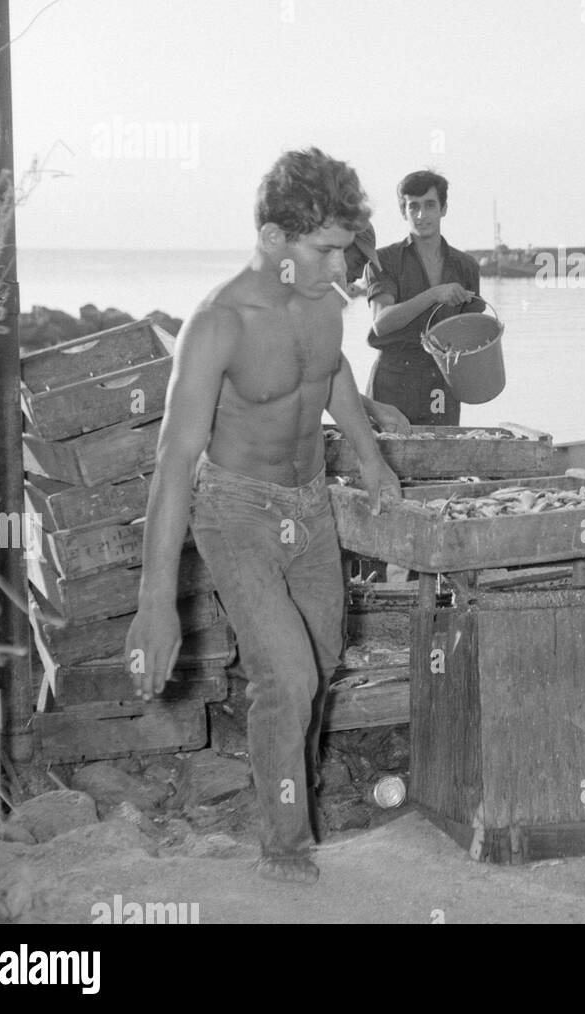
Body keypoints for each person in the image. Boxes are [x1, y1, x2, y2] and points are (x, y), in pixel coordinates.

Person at [125, 148, 403, 885]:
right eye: (325, 250)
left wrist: (371, 459)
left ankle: (291, 792)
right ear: (274, 238)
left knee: (317, 663)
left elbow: (331, 372)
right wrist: (156, 606)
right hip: (235, 509)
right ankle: (285, 848)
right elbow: (175, 463)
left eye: (346, 249)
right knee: (285, 675)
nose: (340, 267)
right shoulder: (218, 323)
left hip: (310, 503)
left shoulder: (324, 303)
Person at [362, 168, 483, 426]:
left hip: (442, 383)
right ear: (402, 211)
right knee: (388, 460)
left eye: (429, 205)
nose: (421, 215)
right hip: (393, 383)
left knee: (443, 459)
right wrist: (434, 294)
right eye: (412, 206)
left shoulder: (466, 266)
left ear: (444, 208)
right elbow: (381, 323)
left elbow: (472, 333)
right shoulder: (383, 261)